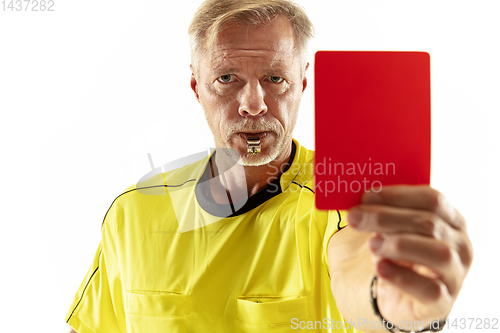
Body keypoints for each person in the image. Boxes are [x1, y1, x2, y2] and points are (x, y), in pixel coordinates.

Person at [66, 1, 473, 332]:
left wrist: (394, 308)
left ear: (301, 84)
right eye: (227, 78)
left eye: (275, 78)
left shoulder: (344, 196)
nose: (254, 104)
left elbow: (356, 262)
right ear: (196, 88)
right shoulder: (134, 212)